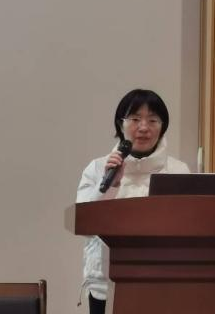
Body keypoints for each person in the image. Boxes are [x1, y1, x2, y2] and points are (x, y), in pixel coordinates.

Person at [76, 89, 190, 314]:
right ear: (121, 124)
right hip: (105, 285)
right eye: (135, 119)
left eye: (153, 120)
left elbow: (188, 225)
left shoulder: (178, 171)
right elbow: (83, 221)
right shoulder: (98, 168)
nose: (144, 127)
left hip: (163, 283)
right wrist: (111, 184)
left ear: (163, 127)